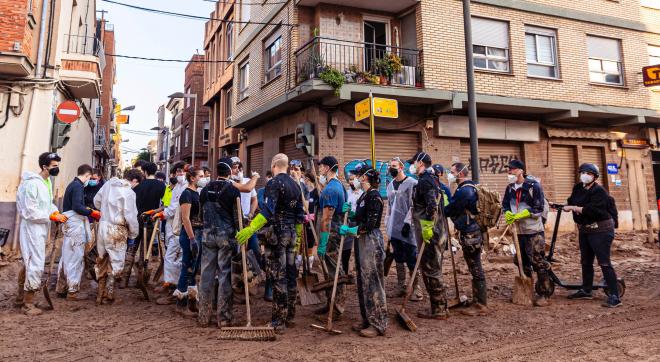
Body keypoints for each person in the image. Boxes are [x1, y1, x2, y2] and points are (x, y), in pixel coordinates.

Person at [236, 153, 304, 333]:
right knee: (290, 274)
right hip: (291, 235)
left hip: (277, 235)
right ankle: (289, 316)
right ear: (287, 166)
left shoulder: (274, 183)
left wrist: (251, 228)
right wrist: (297, 240)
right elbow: (300, 215)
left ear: (274, 165)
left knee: (278, 276)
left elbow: (268, 210)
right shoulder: (296, 185)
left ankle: (278, 321)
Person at [565, 164, 622, 308]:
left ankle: (615, 295)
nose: (584, 175)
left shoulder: (599, 191)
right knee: (586, 261)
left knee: (604, 262)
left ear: (594, 177)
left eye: (588, 173)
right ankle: (586, 289)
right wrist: (562, 206)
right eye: (582, 172)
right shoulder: (578, 188)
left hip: (601, 230)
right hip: (585, 230)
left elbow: (594, 210)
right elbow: (571, 201)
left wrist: (574, 208)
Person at [340, 166, 387, 338]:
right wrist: (352, 214)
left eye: (359, 176)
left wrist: (351, 230)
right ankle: (366, 318)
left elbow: (371, 224)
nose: (356, 178)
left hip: (371, 241)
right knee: (363, 281)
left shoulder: (374, 196)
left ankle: (378, 323)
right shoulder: (363, 196)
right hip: (361, 241)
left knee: (372, 281)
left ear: (366, 178)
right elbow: (361, 217)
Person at [15, 152, 65, 315]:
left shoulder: (46, 182)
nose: (57, 168)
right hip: (31, 228)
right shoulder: (32, 184)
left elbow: (47, 204)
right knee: (34, 262)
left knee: (31, 261)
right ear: (45, 167)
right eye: (54, 166)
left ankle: (20, 297)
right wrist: (50, 216)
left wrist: (55, 212)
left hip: (41, 227)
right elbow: (30, 211)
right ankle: (28, 304)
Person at [198, 158, 241, 327]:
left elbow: (201, 215)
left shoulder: (205, 189)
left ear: (216, 171)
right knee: (225, 275)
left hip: (208, 235)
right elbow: (238, 218)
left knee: (206, 274)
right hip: (226, 237)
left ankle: (203, 315)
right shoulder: (232, 190)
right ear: (230, 172)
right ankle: (223, 318)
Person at [406, 152, 449, 320]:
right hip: (431, 230)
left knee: (431, 269)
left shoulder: (426, 181)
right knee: (431, 268)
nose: (413, 166)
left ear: (421, 163)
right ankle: (439, 306)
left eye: (414, 163)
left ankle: (439, 309)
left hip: (430, 232)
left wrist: (428, 226)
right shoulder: (431, 179)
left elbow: (432, 205)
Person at [503, 160, 551, 307]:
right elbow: (505, 204)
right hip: (518, 232)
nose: (509, 172)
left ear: (521, 171)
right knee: (520, 262)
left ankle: (544, 294)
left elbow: (538, 208)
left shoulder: (533, 186)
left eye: (512, 169)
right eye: (509, 170)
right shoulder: (510, 188)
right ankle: (527, 291)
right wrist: (507, 213)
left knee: (537, 261)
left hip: (533, 230)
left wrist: (524, 213)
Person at [445, 162, 488, 316]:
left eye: (452, 172)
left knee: (475, 267)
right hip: (472, 232)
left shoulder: (465, 191)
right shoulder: (471, 187)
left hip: (471, 234)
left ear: (460, 174)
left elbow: (452, 208)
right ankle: (478, 300)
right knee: (474, 265)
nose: (450, 175)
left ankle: (481, 305)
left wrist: (443, 209)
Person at [93, 169, 140, 305]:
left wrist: (105, 210)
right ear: (134, 181)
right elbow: (130, 216)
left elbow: (96, 201)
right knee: (116, 262)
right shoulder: (129, 192)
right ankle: (109, 294)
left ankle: (99, 294)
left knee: (101, 259)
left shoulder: (108, 184)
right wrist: (133, 234)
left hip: (103, 225)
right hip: (117, 228)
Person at [56, 164, 98, 301]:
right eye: (90, 178)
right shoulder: (78, 186)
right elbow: (77, 206)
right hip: (75, 225)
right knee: (75, 257)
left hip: (70, 224)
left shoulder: (72, 185)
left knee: (67, 256)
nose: (90, 180)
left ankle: (61, 288)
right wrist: (92, 212)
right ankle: (72, 291)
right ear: (86, 175)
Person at [123, 162, 165, 288]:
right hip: (151, 220)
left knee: (131, 249)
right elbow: (165, 205)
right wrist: (155, 211)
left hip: (136, 220)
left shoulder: (138, 186)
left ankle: (124, 279)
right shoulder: (162, 186)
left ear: (145, 172)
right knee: (144, 251)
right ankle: (140, 280)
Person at [314, 156, 347, 319]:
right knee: (330, 268)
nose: (319, 170)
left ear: (327, 168)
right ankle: (330, 303)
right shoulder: (338, 185)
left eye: (321, 167)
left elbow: (326, 218)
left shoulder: (330, 190)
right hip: (335, 231)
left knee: (333, 269)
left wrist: (323, 242)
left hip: (331, 234)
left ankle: (337, 307)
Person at [386, 158, 423, 301]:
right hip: (394, 228)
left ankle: (416, 287)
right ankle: (401, 286)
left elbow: (414, 205)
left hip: (408, 228)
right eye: (390, 166)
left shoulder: (412, 184)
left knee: (411, 257)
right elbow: (389, 206)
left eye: (394, 166)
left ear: (401, 167)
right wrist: (388, 224)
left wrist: (408, 223)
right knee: (398, 257)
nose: (391, 168)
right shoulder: (390, 185)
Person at [152, 161, 188, 301]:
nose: (180, 174)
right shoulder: (175, 187)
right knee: (174, 256)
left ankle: (172, 284)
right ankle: (173, 283)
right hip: (172, 225)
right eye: (177, 171)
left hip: (178, 226)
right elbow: (169, 204)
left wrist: (163, 214)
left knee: (172, 256)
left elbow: (175, 207)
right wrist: (160, 211)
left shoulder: (184, 187)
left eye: (182, 171)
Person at [174, 166, 205, 316]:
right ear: (192, 178)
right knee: (187, 268)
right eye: (200, 176)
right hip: (189, 235)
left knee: (194, 267)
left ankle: (192, 301)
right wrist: (192, 239)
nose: (203, 178)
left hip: (198, 233)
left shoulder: (196, 193)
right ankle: (181, 303)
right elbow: (185, 219)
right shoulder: (186, 194)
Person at [342, 171, 363, 277]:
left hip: (359, 224)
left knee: (359, 249)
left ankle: (359, 272)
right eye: (349, 179)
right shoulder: (346, 193)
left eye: (353, 179)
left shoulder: (363, 194)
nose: (351, 182)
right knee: (346, 249)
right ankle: (345, 272)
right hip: (348, 222)